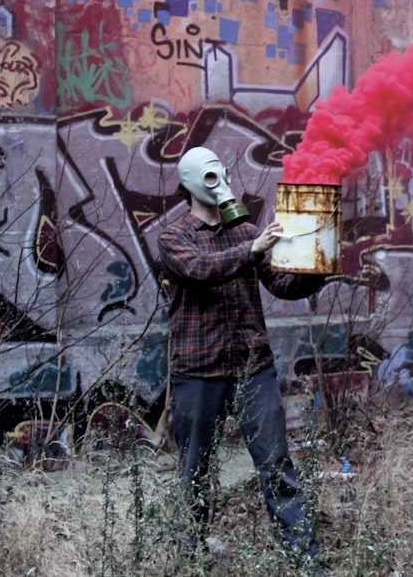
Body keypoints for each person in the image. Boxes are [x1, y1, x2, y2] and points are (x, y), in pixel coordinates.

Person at [158, 146, 325, 563]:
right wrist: (252, 249)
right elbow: (200, 270)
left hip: (253, 370)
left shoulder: (248, 232)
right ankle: (189, 562)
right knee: (193, 474)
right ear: (189, 184)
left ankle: (305, 563)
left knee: (277, 468)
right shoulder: (174, 238)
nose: (218, 182)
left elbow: (282, 286)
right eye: (208, 176)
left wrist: (317, 265)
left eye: (220, 173)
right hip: (198, 374)